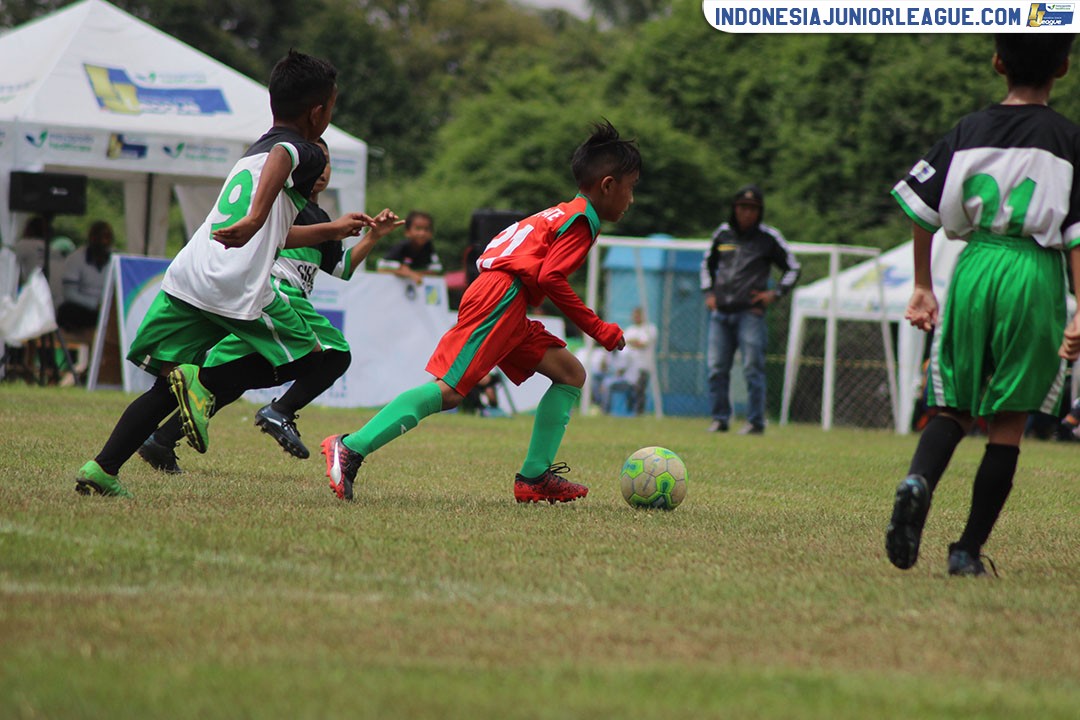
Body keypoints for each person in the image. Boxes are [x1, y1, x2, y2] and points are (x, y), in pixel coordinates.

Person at [73, 50, 371, 498]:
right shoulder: (305, 150)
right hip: (236, 286)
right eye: (333, 105)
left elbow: (275, 232)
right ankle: (205, 382)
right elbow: (286, 157)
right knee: (316, 360)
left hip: (190, 275)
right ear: (319, 111)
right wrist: (253, 221)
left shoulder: (255, 148)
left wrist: (321, 228)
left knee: (163, 388)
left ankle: (102, 468)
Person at [321, 120, 638, 502]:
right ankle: (351, 447)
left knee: (570, 374)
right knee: (452, 392)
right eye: (630, 188)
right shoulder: (582, 221)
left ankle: (534, 477)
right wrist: (597, 327)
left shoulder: (563, 211)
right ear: (608, 185)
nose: (631, 199)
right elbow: (552, 277)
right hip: (502, 296)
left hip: (506, 297)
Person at [886, 34, 1080, 577]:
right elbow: (1077, 234)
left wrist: (923, 285)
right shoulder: (1068, 139)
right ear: (1063, 68)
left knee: (952, 403)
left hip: (972, 267)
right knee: (1008, 420)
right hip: (1033, 270)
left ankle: (918, 481)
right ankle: (967, 550)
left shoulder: (969, 129)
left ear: (997, 63)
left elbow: (920, 208)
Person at [138, 138, 403, 473]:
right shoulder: (284, 202)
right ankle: (280, 411)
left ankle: (160, 441)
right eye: (316, 161)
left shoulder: (320, 215)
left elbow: (342, 269)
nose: (322, 170)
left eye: (327, 162)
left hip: (270, 306)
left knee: (227, 382)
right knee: (336, 351)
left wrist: (373, 236)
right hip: (274, 295)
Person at [700, 184, 800, 435]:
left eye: (753, 209)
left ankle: (756, 421)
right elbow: (706, 265)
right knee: (716, 368)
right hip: (721, 313)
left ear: (760, 212)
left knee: (752, 368)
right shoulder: (722, 234)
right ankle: (720, 418)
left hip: (750, 313)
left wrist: (775, 293)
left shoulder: (769, 238)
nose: (747, 213)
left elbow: (793, 268)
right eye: (743, 207)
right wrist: (708, 292)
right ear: (735, 209)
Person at [56, 220, 114, 333]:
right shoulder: (75, 259)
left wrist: (105, 305)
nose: (105, 242)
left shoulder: (115, 259)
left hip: (107, 309)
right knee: (66, 311)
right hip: (84, 307)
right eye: (101, 237)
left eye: (108, 238)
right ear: (92, 238)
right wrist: (95, 304)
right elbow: (69, 294)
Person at [376, 210, 442, 284]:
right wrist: (407, 273)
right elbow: (381, 267)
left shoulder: (429, 247)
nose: (422, 233)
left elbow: (436, 269)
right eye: (418, 228)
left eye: (426, 229)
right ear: (407, 232)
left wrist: (412, 273)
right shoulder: (402, 247)